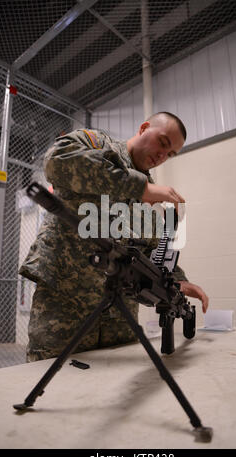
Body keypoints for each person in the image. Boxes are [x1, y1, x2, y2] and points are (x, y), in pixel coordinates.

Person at [19, 111, 209, 362]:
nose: (163, 156)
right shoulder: (97, 144)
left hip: (119, 324)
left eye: (170, 154)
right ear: (143, 128)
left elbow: (152, 251)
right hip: (64, 314)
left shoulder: (150, 201)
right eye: (163, 143)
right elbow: (57, 161)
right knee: (55, 390)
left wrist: (177, 281)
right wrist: (140, 188)